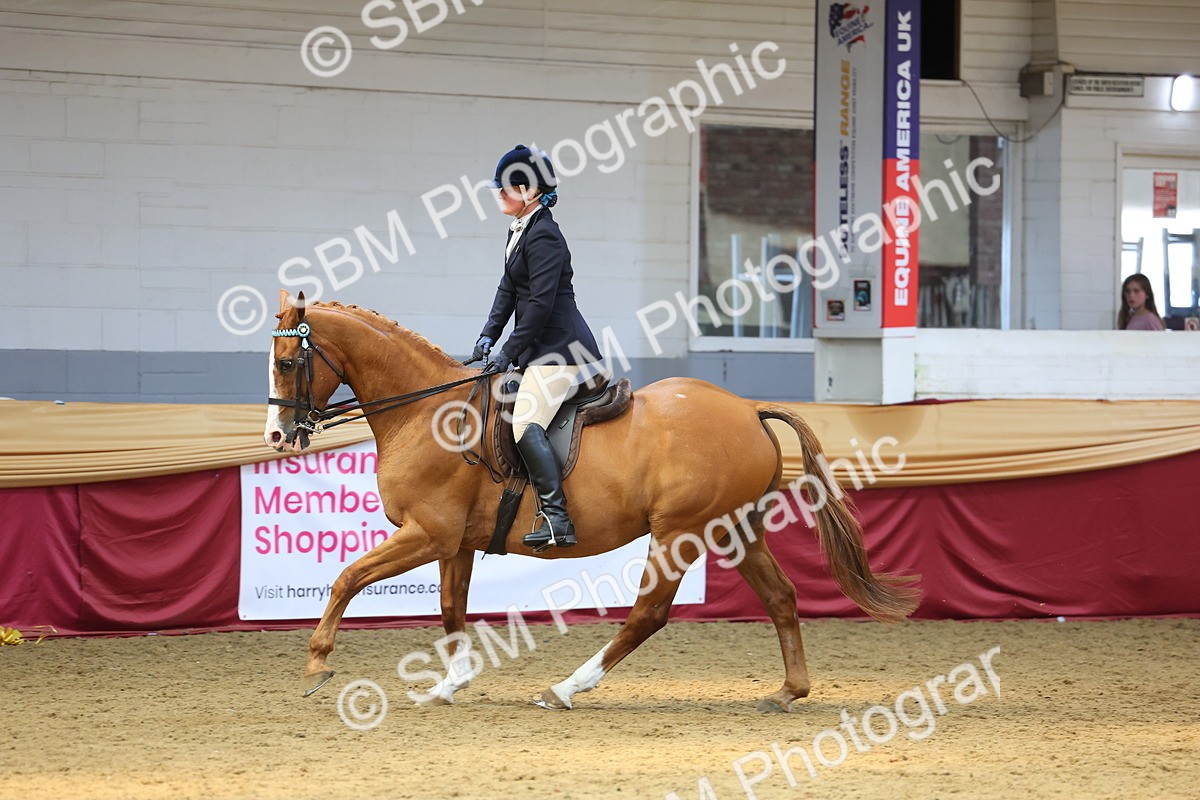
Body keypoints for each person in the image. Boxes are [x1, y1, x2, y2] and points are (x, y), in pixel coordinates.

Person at [470, 144, 601, 550]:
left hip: (561, 350)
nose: (499, 195)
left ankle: (557, 517)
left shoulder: (545, 234)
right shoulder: (520, 230)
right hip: (538, 349)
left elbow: (541, 306)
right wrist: (487, 335)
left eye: (506, 188)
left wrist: (507, 352)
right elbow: (507, 289)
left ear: (528, 191)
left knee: (525, 422)